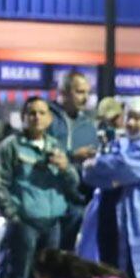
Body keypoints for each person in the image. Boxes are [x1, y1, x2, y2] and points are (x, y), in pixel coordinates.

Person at [0, 96, 81, 278]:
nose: (37, 118)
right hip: (25, 222)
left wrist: (66, 169)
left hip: (51, 223)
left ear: (50, 119)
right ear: (24, 117)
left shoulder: (55, 148)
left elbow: (74, 188)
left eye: (42, 113)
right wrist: (14, 215)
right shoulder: (12, 147)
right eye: (32, 113)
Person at [78, 96, 140, 278]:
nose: (132, 123)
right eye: (129, 117)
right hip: (109, 220)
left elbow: (123, 168)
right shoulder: (118, 144)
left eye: (138, 118)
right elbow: (90, 175)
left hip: (137, 222)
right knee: (108, 275)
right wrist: (104, 169)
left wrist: (100, 166)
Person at [48, 72, 98, 250]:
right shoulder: (46, 118)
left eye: (87, 92)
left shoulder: (88, 126)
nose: (85, 98)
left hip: (76, 203)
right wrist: (71, 156)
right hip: (48, 201)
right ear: (63, 92)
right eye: (80, 92)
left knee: (66, 257)